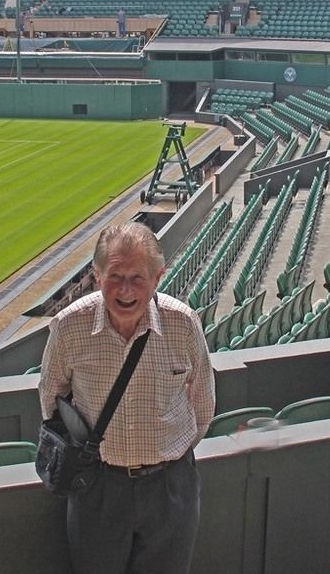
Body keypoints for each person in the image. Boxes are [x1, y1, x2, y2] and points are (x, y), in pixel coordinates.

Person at [39, 221, 216, 574]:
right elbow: (51, 397)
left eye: (137, 278)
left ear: (158, 277)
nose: (125, 290)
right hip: (98, 488)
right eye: (115, 275)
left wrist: (169, 454)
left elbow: (203, 404)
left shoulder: (183, 324)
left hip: (170, 487)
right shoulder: (69, 326)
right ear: (97, 275)